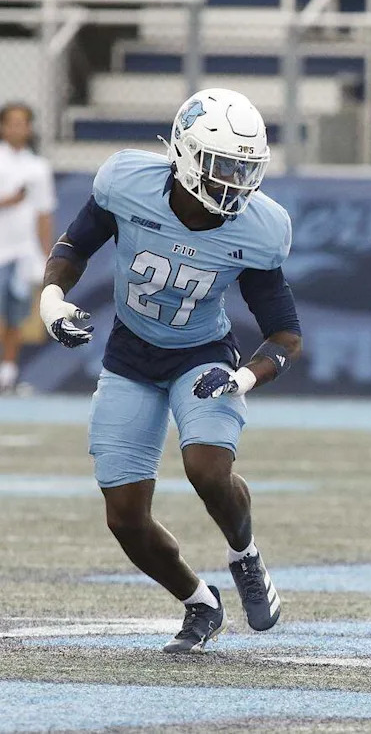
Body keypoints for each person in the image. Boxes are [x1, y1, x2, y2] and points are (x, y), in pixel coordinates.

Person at [40, 88, 301, 653]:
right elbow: (74, 245)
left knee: (207, 469)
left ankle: (244, 554)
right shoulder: (127, 183)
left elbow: (284, 333)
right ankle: (198, 601)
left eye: (244, 167)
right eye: (223, 165)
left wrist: (245, 376)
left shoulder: (256, 226)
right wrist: (52, 298)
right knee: (125, 518)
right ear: (183, 154)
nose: (234, 180)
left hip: (201, 355)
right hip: (130, 355)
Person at [0, 102, 55, 393]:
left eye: (22, 122)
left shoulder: (38, 167)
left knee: (16, 316)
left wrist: (46, 255)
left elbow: (44, 214)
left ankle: (7, 375)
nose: (17, 128)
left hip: (22, 253)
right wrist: (9, 201)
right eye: (11, 122)